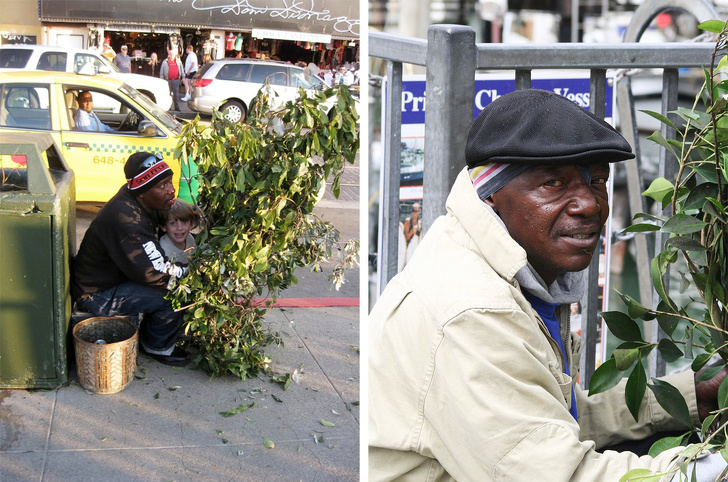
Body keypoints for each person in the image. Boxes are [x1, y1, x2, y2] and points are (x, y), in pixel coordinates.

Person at [368, 89, 728, 480]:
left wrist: (694, 393)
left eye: (597, 181)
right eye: (554, 183)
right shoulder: (474, 312)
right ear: (491, 196)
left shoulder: (501, 265)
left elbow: (545, 419)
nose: (589, 204)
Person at [71, 151, 189, 366]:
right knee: (175, 293)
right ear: (143, 192)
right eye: (162, 186)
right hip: (96, 296)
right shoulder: (127, 219)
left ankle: (154, 334)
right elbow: (153, 272)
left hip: (110, 281)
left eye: (169, 181)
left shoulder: (133, 198)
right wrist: (189, 272)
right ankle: (157, 347)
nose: (171, 189)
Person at [159, 199, 197, 264]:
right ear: (164, 226)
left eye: (184, 222)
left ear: (191, 224)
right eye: (173, 223)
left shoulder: (190, 238)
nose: (179, 228)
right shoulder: (163, 249)